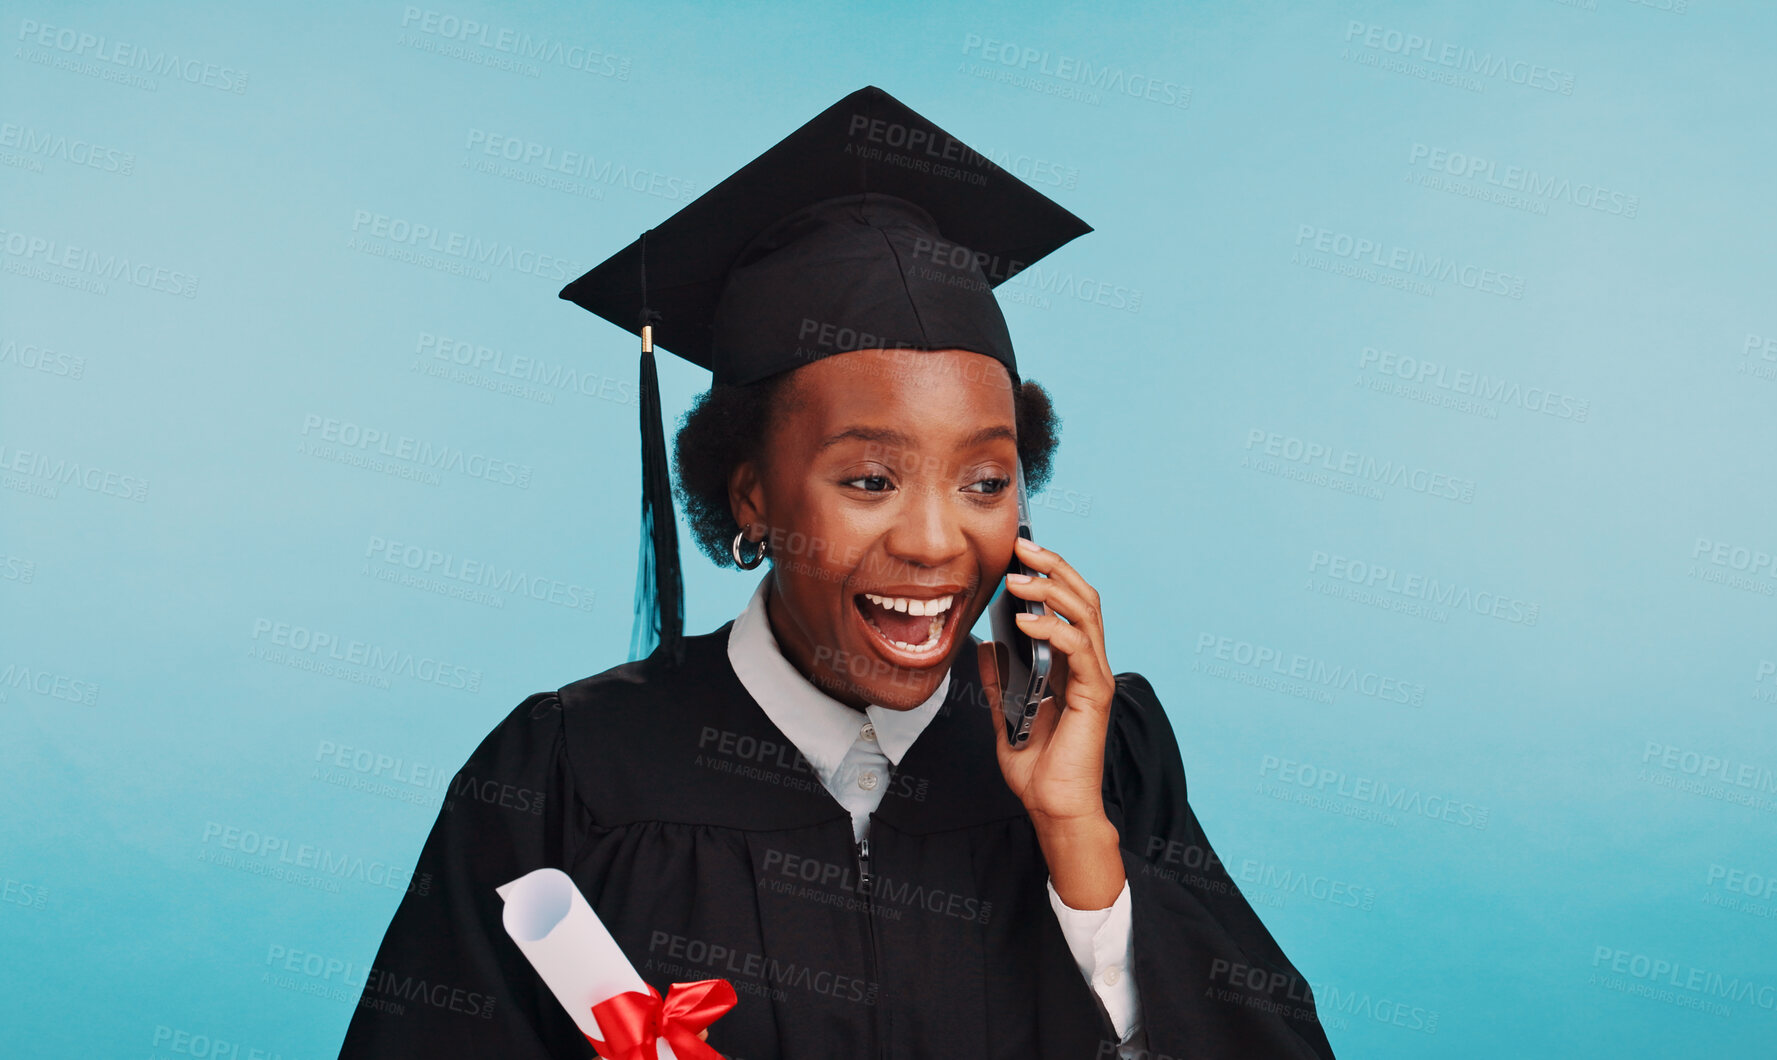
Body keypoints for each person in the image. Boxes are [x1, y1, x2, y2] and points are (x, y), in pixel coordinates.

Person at [339, 86, 1335, 1060]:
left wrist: (1080, 844)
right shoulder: (566, 774)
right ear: (751, 498)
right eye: (868, 478)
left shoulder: (1106, 761)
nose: (937, 540)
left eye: (986, 479)